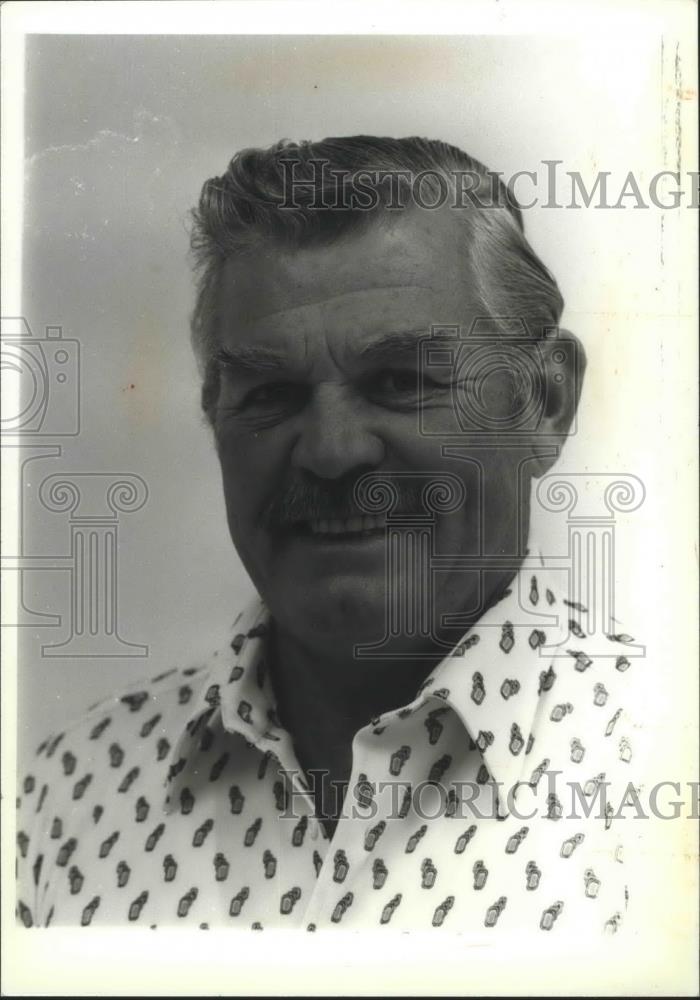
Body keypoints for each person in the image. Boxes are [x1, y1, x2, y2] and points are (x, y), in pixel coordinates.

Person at [16, 136, 638, 932]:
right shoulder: (61, 801)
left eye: (401, 381)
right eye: (271, 393)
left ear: (546, 403)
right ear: (215, 418)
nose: (333, 450)